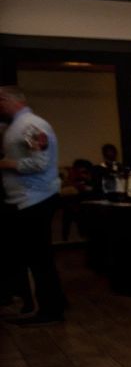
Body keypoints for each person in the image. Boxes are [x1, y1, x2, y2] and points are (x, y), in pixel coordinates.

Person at [0, 86, 65, 323]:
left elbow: (40, 162)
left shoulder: (30, 126)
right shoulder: (14, 126)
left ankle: (48, 309)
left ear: (6, 100)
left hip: (35, 199)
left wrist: (6, 164)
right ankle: (53, 304)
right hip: (26, 200)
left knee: (38, 258)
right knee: (37, 256)